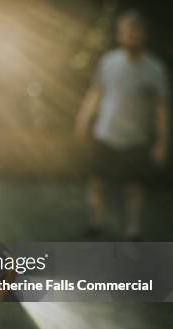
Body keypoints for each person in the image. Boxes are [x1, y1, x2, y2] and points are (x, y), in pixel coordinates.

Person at [75, 9, 170, 240]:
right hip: (105, 134)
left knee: (134, 187)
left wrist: (162, 142)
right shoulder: (109, 62)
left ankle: (133, 229)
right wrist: (83, 119)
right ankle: (96, 223)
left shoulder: (155, 69)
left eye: (134, 32)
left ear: (143, 35)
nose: (130, 37)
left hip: (135, 138)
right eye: (125, 32)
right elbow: (95, 93)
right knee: (97, 182)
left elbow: (162, 109)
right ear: (120, 35)